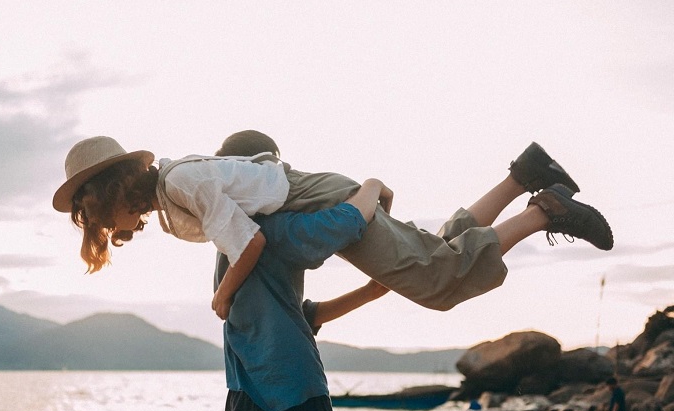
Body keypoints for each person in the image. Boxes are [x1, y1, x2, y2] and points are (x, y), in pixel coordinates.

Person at [52, 134, 614, 318]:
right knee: (435, 253)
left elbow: (249, 243)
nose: (119, 231)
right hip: (322, 197)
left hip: (321, 200)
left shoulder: (180, 184)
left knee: (438, 282)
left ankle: (545, 210)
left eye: (104, 219)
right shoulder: (173, 196)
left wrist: (221, 299)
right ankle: (523, 177)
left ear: (113, 193)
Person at [218, 184, 388, 411]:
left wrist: (367, 293)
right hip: (292, 400)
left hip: (241, 409)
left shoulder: (224, 237)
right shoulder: (275, 227)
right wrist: (373, 186)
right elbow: (348, 220)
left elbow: (296, 314)